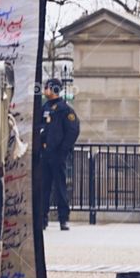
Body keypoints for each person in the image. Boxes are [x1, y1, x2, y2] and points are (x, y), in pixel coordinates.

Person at [40, 78, 80, 231]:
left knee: (60, 186)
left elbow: (73, 130)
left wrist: (63, 149)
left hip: (58, 154)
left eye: (47, 87)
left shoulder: (65, 110)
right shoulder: (44, 107)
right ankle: (43, 217)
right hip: (45, 153)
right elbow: (40, 126)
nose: (45, 90)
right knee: (44, 187)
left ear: (54, 89)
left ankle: (63, 218)